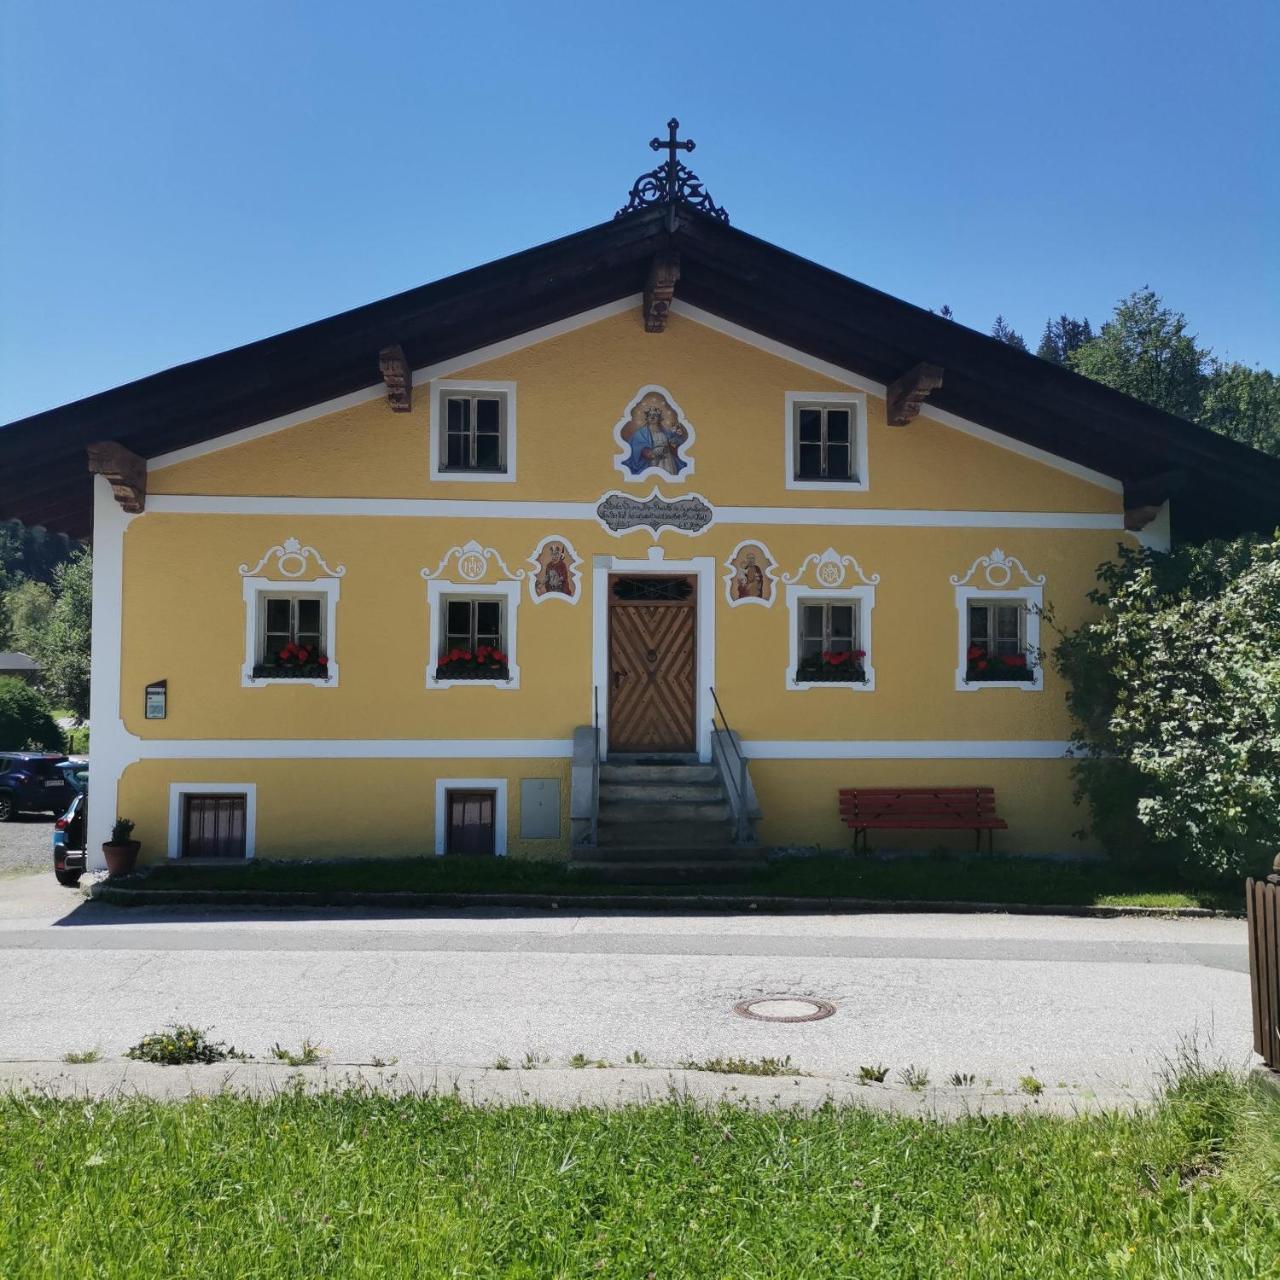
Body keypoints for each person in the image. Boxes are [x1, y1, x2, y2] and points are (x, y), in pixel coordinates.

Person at [624, 400, 687, 476]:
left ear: (659, 418)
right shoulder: (640, 433)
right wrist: (647, 452)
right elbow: (636, 446)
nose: (652, 417)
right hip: (652, 462)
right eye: (650, 415)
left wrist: (677, 435)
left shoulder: (665, 432)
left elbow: (673, 443)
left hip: (667, 461)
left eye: (655, 415)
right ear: (647, 418)